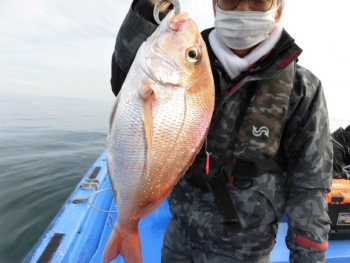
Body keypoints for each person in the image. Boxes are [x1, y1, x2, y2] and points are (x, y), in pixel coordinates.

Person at [110, 0, 333, 262]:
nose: (243, 10)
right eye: (230, 0)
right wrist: (148, 9)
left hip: (245, 253)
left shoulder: (303, 89)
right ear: (215, 7)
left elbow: (310, 186)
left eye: (259, 1)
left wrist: (309, 257)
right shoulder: (186, 60)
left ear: (278, 10)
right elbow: (123, 79)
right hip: (179, 240)